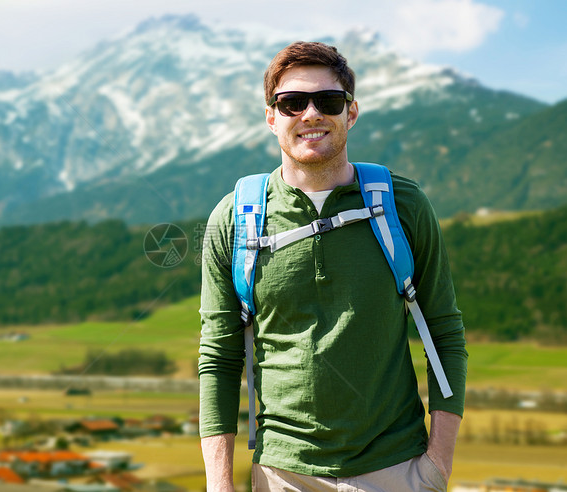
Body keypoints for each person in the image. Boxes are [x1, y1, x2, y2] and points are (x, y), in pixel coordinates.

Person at [198, 41, 468, 491]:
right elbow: (219, 358)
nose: (310, 114)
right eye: (291, 103)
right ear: (271, 118)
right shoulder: (232, 218)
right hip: (281, 472)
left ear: (351, 112)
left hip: (396, 468)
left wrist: (437, 466)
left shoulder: (404, 206)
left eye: (328, 101)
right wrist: (219, 485)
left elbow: (444, 333)